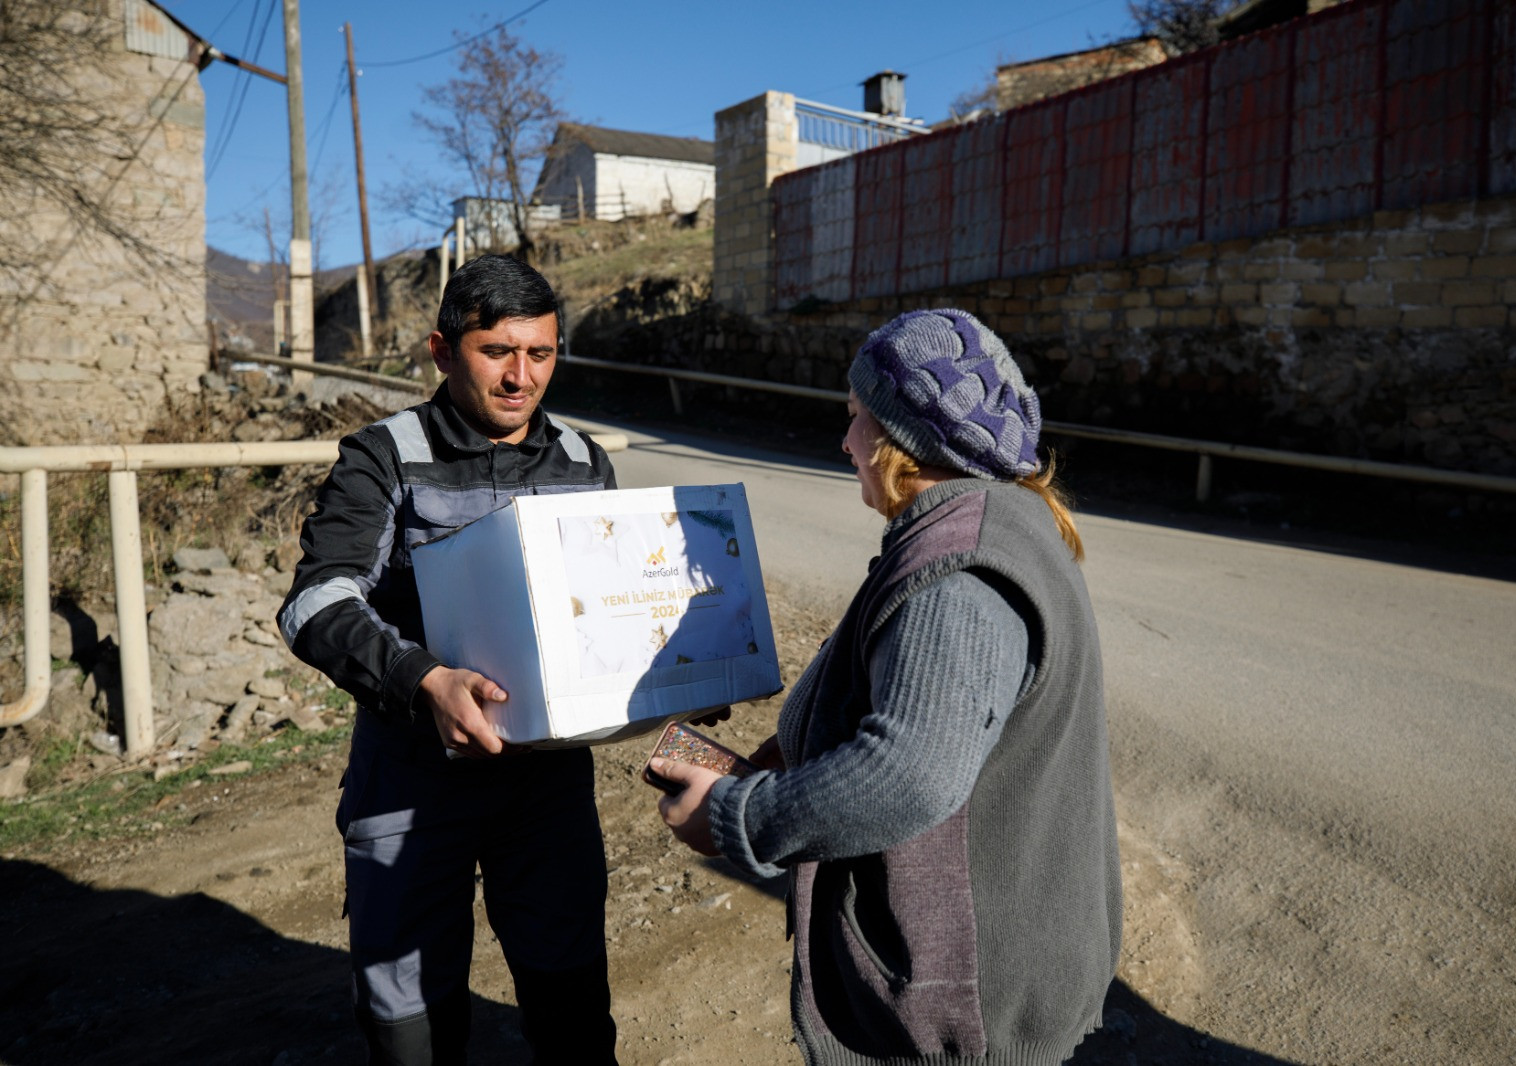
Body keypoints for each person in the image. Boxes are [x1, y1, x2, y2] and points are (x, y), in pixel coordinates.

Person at [651, 308, 1123, 1065]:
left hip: (970, 1002)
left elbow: (909, 771)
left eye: (855, 417)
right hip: (994, 961)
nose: (844, 442)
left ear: (904, 437)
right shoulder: (993, 520)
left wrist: (743, 818)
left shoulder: (959, 574)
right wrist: (786, 758)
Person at [277, 254, 621, 1064]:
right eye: (497, 351)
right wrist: (424, 680)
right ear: (440, 350)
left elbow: (611, 606)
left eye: (540, 353)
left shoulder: (585, 461)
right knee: (414, 1033)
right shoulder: (382, 456)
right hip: (411, 785)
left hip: (548, 791)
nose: (521, 376)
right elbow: (315, 602)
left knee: (573, 1017)